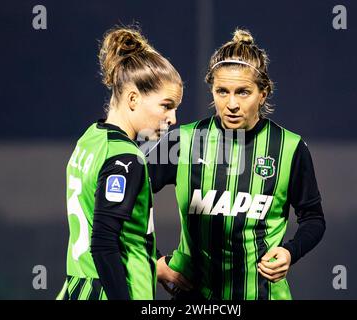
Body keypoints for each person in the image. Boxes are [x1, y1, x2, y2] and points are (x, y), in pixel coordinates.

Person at [148, 29, 325, 300]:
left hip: (263, 294)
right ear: (212, 90)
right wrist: (155, 261)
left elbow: (313, 219)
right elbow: (129, 202)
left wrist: (290, 251)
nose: (231, 104)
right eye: (222, 91)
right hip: (195, 298)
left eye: (243, 92)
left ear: (263, 93)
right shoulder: (182, 142)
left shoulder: (290, 148)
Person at [57, 26, 183, 300]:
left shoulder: (90, 139)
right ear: (133, 99)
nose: (173, 119)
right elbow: (103, 243)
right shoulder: (125, 159)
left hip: (78, 287)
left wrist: (155, 264)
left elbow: (114, 227)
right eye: (166, 105)